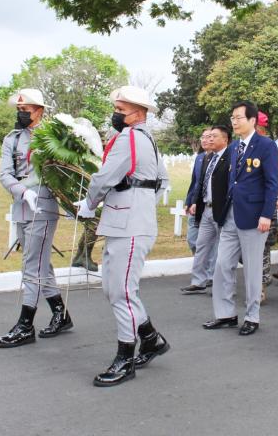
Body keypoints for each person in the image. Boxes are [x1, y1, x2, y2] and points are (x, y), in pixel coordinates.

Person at [75, 85, 170, 387]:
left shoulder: (128, 138)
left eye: (120, 110)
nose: (115, 115)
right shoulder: (149, 141)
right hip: (132, 221)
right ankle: (151, 339)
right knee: (118, 289)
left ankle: (125, 359)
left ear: (138, 114)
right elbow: (162, 181)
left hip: (128, 225)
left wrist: (90, 204)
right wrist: (140, 204)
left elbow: (104, 177)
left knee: (121, 293)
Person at [0, 88, 73, 348]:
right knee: (40, 263)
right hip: (21, 206)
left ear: (39, 111)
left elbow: (67, 173)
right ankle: (61, 314)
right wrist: (21, 191)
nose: (21, 115)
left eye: (25, 110)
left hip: (44, 207)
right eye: (18, 110)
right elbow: (5, 174)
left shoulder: (54, 138)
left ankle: (25, 324)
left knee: (32, 264)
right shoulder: (12, 139)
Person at [202, 101, 278, 336]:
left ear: (252, 120)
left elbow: (271, 183)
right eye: (232, 118)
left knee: (252, 269)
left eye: (239, 117)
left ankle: (252, 316)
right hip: (231, 215)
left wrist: (267, 214)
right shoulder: (234, 148)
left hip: (255, 217)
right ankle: (225, 314)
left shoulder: (266, 146)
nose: (234, 121)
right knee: (223, 264)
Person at [180, 125, 231, 294]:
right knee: (200, 244)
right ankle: (198, 281)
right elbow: (199, 182)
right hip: (205, 208)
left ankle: (216, 280)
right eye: (206, 137)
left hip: (221, 209)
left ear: (225, 139)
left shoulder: (231, 157)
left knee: (220, 247)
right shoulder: (207, 158)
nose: (208, 140)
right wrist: (194, 201)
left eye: (213, 136)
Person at [255, 110, 278, 302]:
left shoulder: (270, 147)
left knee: (262, 248)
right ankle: (262, 278)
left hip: (266, 207)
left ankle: (260, 287)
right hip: (248, 207)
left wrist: (275, 201)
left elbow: (276, 180)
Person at [185, 130, 212, 255]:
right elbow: (194, 182)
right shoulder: (200, 158)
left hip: (207, 205)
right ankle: (199, 262)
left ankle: (204, 267)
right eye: (203, 137)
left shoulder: (218, 158)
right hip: (194, 205)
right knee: (192, 239)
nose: (204, 140)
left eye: (208, 137)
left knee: (206, 241)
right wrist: (189, 201)